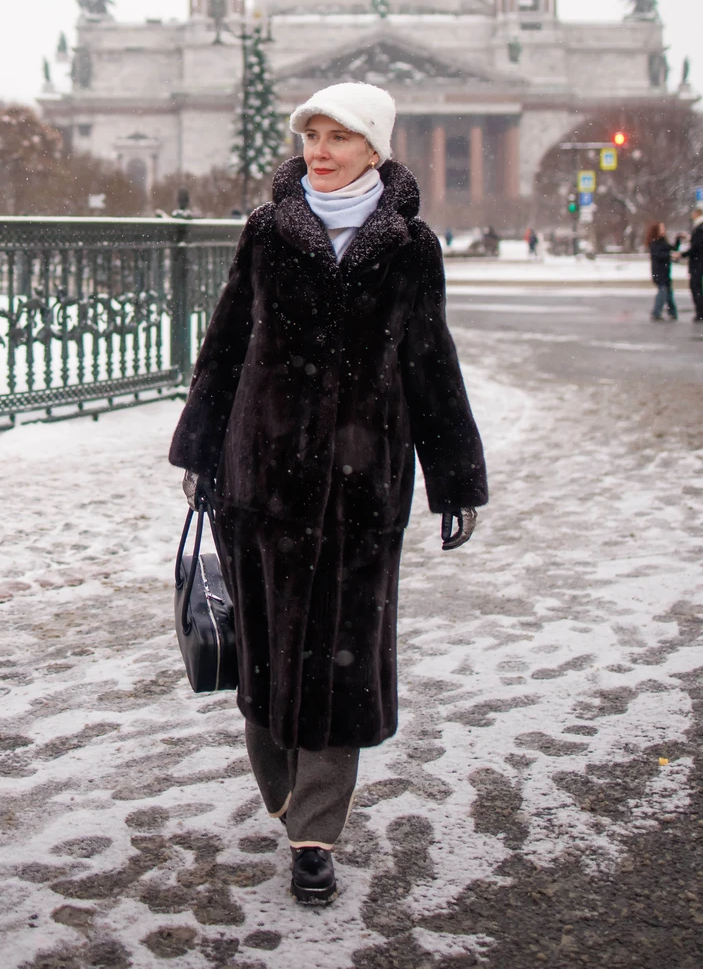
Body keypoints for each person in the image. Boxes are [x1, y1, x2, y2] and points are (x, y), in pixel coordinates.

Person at [169, 81, 487, 906]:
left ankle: (315, 833)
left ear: (374, 149)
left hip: (361, 491)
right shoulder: (268, 233)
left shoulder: (409, 247)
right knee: (268, 661)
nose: (320, 148)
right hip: (262, 480)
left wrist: (454, 479)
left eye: (339, 136)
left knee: (340, 667)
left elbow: (430, 362)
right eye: (312, 134)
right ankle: (282, 790)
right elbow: (225, 347)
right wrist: (202, 452)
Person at [646, 221, 679, 320]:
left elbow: (672, 248)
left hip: (665, 270)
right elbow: (657, 255)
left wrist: (678, 239)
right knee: (663, 292)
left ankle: (672, 312)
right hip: (659, 271)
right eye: (661, 228)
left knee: (668, 293)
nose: (663, 230)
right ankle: (656, 312)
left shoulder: (662, 241)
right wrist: (669, 255)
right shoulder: (654, 242)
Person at [686, 209, 703, 322]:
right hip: (700, 262)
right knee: (697, 287)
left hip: (698, 263)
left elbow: (696, 247)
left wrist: (682, 254)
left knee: (696, 287)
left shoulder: (699, 228)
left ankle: (700, 312)